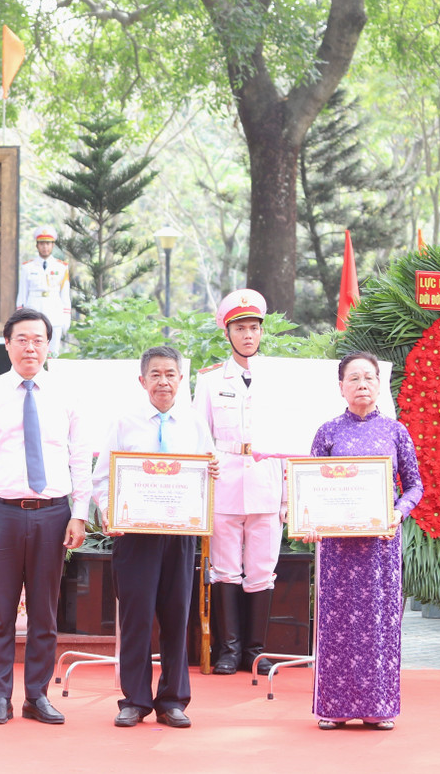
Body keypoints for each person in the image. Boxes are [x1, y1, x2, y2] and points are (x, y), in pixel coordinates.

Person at [0, 307, 88, 726]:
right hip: (2, 514)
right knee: (0, 612)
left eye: (38, 340)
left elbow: (80, 458)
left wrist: (80, 513)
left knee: (45, 614)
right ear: (7, 344)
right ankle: (0, 696)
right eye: (22, 339)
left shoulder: (67, 394)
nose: (30, 347)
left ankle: (37, 696)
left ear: (48, 345)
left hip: (53, 514)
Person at [93, 346, 218, 728]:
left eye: (170, 374)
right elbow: (102, 476)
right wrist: (109, 511)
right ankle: (134, 700)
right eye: (156, 375)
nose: (163, 382)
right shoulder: (125, 423)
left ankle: (173, 701)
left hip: (179, 535)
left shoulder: (194, 423)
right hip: (135, 535)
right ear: (142, 380)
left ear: (181, 379)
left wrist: (212, 472)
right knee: (136, 618)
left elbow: (209, 471)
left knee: (176, 617)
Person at [304, 352, 422, 731]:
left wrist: (398, 512)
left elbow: (414, 485)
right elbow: (310, 487)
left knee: (378, 621)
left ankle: (379, 707)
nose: (362, 385)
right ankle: (334, 708)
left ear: (379, 384)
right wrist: (310, 521)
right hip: (337, 548)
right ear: (341, 387)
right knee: (336, 622)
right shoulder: (328, 432)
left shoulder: (395, 431)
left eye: (369, 378)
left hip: (380, 545)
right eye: (353, 379)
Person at [194, 287, 286, 675]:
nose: (248, 335)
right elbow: (201, 435)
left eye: (254, 328)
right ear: (227, 333)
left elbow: (288, 437)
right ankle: (228, 650)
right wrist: (204, 481)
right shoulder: (211, 380)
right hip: (225, 480)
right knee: (225, 568)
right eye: (240, 328)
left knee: (262, 569)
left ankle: (255, 651)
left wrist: (287, 495)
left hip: (266, 479)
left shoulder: (279, 379)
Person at [15, 227, 71, 355]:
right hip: (33, 309)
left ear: (53, 245)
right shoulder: (27, 267)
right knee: (34, 349)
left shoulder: (61, 267)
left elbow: (65, 295)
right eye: (42, 243)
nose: (45, 247)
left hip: (54, 311)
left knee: (53, 351)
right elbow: (22, 294)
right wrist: (20, 315)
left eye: (48, 243)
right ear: (37, 245)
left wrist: (66, 315)